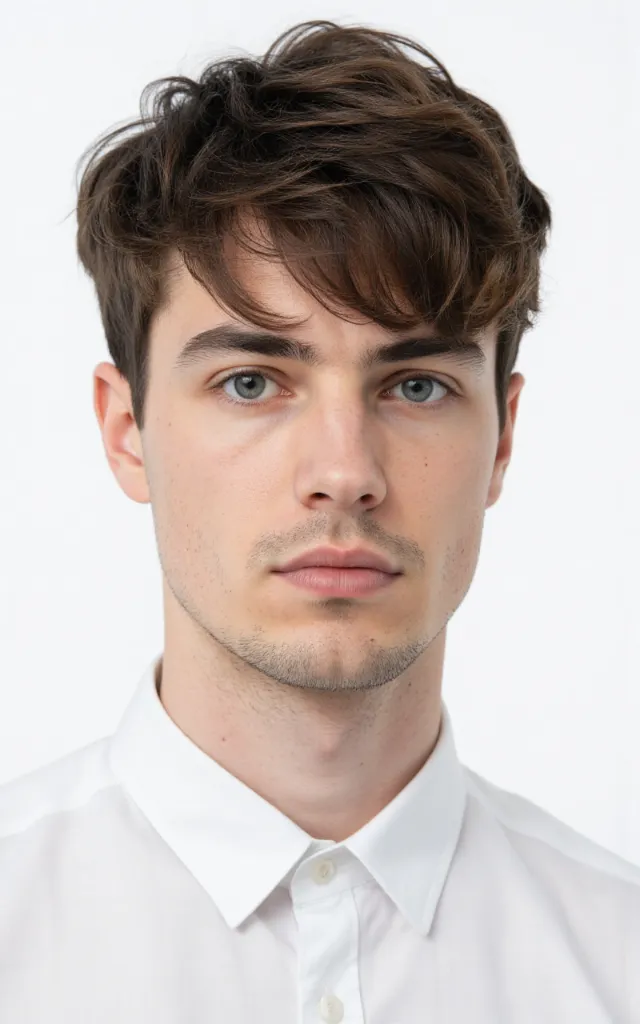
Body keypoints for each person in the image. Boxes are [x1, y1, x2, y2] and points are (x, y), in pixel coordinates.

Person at [1, 19, 638, 1023]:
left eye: (417, 385)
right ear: (126, 431)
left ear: (503, 439)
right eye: (252, 381)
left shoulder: (619, 958)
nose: (344, 473)